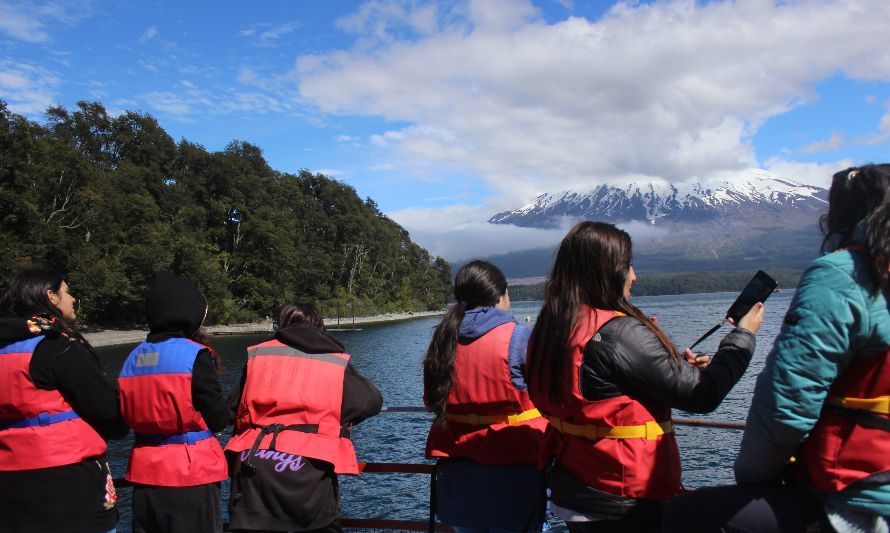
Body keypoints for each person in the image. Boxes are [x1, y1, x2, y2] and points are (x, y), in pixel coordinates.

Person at [662, 164, 890, 533]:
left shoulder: (839, 274)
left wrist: (751, 478)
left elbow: (787, 405)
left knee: (677, 516)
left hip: (857, 498)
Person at [526, 221, 764, 532]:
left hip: (577, 489)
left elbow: (598, 385)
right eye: (627, 266)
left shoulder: (551, 327)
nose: (634, 275)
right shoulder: (619, 331)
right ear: (607, 270)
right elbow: (702, 395)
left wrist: (672, 366)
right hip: (622, 499)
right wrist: (742, 337)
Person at [225, 303, 383, 532]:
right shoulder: (333, 360)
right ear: (319, 326)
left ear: (281, 324)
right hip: (309, 472)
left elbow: (231, 408)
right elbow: (370, 401)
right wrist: (331, 416)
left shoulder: (260, 355)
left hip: (254, 468)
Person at [0, 266, 128, 533]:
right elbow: (106, 410)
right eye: (67, 292)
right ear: (51, 296)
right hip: (68, 485)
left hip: (11, 486)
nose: (72, 299)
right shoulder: (57, 345)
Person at [424, 260, 549, 531]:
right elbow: (552, 395)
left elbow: (430, 400)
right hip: (514, 474)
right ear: (501, 296)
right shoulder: (519, 338)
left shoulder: (443, 340)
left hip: (459, 477)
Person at [117, 271, 230, 533]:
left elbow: (123, 415)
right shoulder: (194, 356)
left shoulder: (133, 358)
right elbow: (217, 417)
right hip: (190, 475)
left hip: (145, 475)